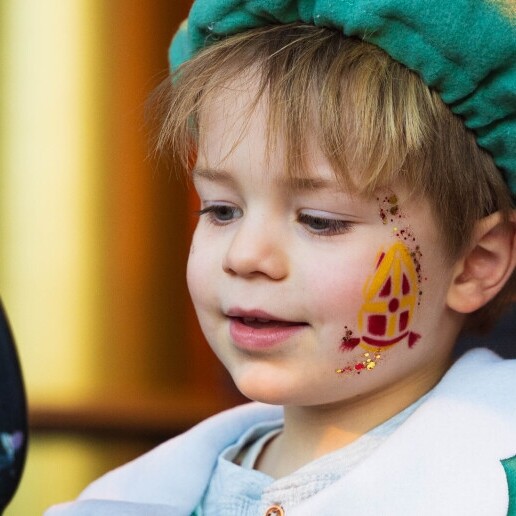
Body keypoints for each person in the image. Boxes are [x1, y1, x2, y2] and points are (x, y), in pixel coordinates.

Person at [47, 1, 516, 514]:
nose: (246, 256)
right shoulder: (126, 499)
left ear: (475, 263)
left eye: (319, 220)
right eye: (222, 210)